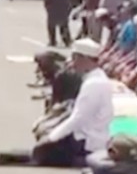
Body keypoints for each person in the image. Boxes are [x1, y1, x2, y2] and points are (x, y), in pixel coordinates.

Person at [34, 38, 113, 166]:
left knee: (41, 154)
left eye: (75, 58)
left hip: (88, 141)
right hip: (84, 135)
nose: (73, 63)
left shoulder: (94, 84)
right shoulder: (94, 78)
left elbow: (78, 119)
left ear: (85, 59)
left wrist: (51, 138)